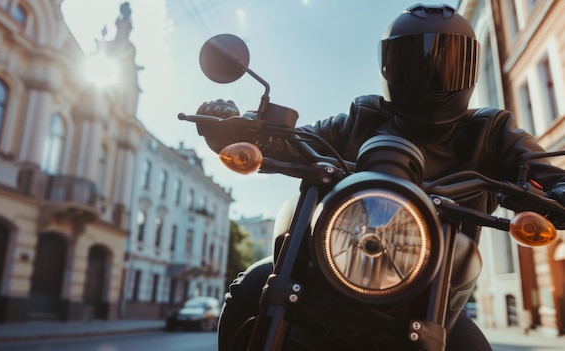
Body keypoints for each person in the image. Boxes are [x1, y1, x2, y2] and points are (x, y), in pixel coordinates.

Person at [197, 3, 565, 350]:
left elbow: (539, 168)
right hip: (333, 260)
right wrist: (240, 129)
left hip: (431, 282)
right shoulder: (363, 117)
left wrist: (557, 188)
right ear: (390, 65)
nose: (434, 74)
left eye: (451, 61)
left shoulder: (490, 132)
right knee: (250, 290)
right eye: (416, 62)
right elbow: (300, 143)